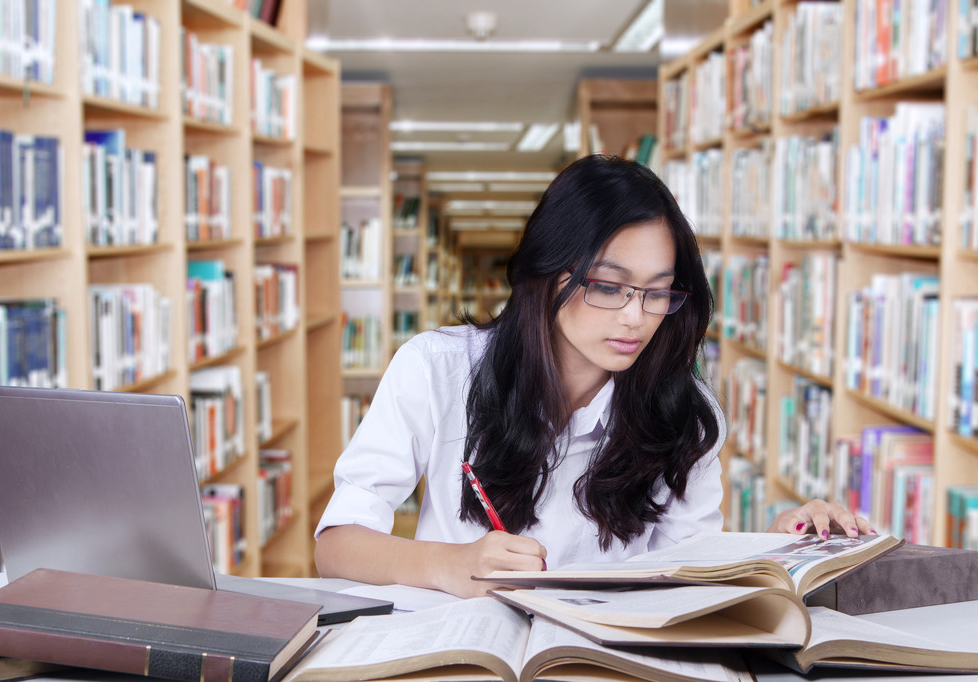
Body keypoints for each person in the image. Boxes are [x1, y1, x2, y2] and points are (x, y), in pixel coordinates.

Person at [315, 155, 873, 598]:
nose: (636, 316)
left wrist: (778, 551)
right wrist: (446, 563)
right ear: (548, 273)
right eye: (608, 286)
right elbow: (337, 545)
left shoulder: (683, 414)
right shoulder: (437, 368)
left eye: (657, 292)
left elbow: (690, 576)